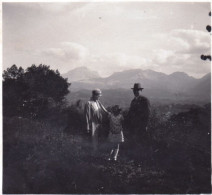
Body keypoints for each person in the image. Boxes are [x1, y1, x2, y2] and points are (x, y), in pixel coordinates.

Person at [84, 88, 109, 155]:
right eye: (98, 95)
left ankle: (97, 152)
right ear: (94, 95)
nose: (99, 97)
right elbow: (87, 115)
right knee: (93, 138)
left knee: (98, 138)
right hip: (92, 124)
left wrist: (110, 114)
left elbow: (104, 110)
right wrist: (87, 126)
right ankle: (93, 153)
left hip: (98, 123)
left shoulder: (97, 102)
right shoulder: (89, 103)